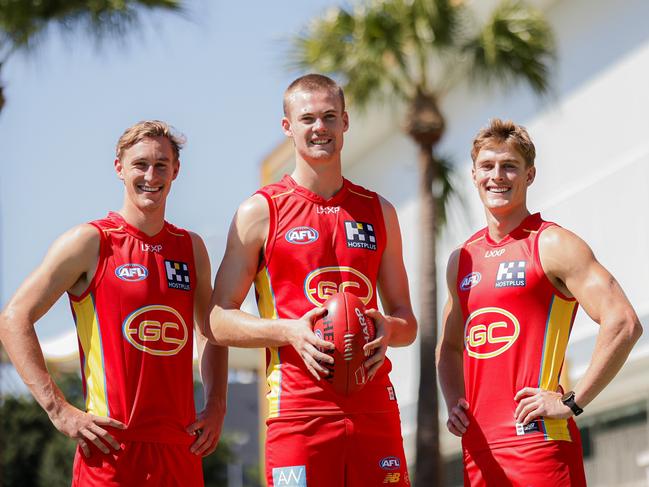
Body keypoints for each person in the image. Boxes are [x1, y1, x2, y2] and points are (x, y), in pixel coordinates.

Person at [205, 74, 417, 487]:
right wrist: (288, 331)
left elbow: (406, 320)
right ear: (288, 127)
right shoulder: (260, 212)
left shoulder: (379, 211)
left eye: (330, 117)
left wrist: (386, 327)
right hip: (298, 408)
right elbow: (217, 319)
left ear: (345, 123)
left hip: (374, 404)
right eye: (308, 119)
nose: (320, 128)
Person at [0, 120, 228, 486]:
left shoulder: (191, 248)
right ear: (119, 168)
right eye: (140, 164)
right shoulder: (90, 242)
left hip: (179, 449)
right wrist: (59, 409)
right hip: (110, 450)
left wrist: (217, 403)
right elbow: (13, 318)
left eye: (161, 165)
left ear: (176, 171)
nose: (150, 175)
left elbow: (211, 330)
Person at [437, 118, 643, 485]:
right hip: (479, 451)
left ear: (529, 175)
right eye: (487, 166)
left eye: (509, 166)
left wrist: (571, 402)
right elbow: (450, 347)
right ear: (473, 174)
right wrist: (455, 402)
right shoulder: (462, 259)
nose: (497, 176)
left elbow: (624, 322)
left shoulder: (552, 244)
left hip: (540, 445)